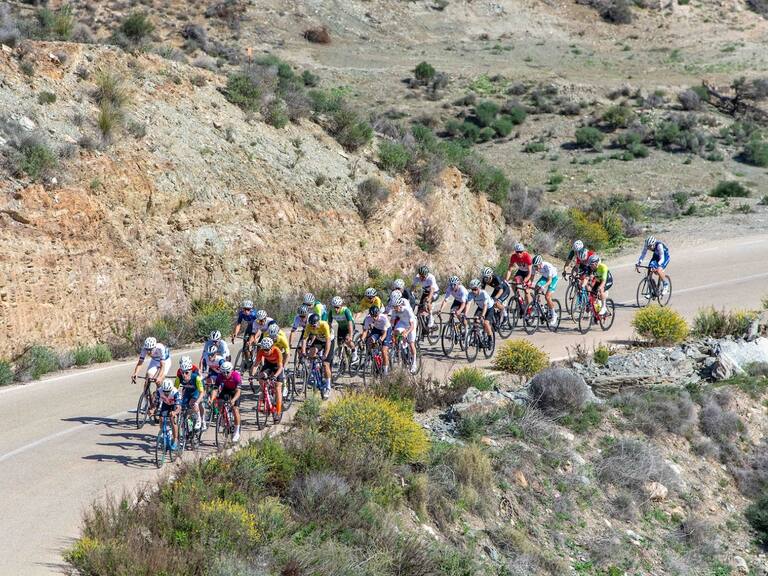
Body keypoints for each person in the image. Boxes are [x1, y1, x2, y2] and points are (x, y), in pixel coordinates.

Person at [301, 313, 334, 399]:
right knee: (311, 353)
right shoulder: (309, 326)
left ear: (318, 322)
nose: (313, 327)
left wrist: (325, 355)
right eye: (312, 326)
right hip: (319, 340)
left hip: (329, 341)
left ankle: (328, 387)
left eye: (314, 325)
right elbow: (304, 339)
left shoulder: (324, 325)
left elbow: (328, 341)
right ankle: (314, 370)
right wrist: (303, 352)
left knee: (326, 364)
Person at [209, 361, 242, 442]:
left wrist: (233, 400)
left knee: (235, 409)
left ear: (231, 371)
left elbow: (238, 392)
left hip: (235, 391)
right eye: (223, 372)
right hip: (226, 389)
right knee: (219, 402)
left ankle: (236, 432)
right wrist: (212, 398)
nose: (225, 374)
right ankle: (223, 417)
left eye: (227, 372)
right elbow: (215, 389)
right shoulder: (220, 376)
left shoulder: (236, 376)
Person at [254, 337, 284, 418]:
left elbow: (280, 368)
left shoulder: (277, 351)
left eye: (267, 350)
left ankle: (278, 412)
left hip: (277, 366)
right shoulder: (261, 351)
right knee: (261, 376)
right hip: (268, 365)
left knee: (278, 387)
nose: (265, 352)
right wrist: (251, 375)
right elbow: (256, 365)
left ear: (271, 347)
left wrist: (275, 376)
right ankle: (265, 392)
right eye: (264, 349)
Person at [175, 356, 206, 432]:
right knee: (183, 406)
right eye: (182, 372)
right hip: (188, 388)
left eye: (186, 373)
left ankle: (200, 419)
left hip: (196, 389)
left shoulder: (195, 373)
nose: (184, 375)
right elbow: (175, 389)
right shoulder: (179, 374)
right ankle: (189, 425)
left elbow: (201, 391)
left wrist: (197, 402)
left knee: (194, 403)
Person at [360, 306, 391, 375]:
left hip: (386, 330)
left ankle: (385, 371)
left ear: (378, 314)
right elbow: (365, 331)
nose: (374, 318)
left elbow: (384, 333)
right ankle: (375, 359)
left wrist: (380, 340)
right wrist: (362, 339)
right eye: (372, 316)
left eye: (375, 316)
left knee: (384, 350)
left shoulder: (383, 318)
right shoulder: (368, 318)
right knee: (370, 341)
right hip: (376, 329)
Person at [391, 297, 418, 374]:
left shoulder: (407, 310)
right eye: (394, 307)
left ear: (400, 305)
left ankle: (414, 364)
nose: (395, 309)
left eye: (396, 307)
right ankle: (401, 346)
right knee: (396, 332)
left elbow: (412, 326)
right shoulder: (394, 311)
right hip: (402, 323)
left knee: (411, 343)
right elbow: (392, 322)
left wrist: (406, 332)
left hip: (411, 324)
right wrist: (392, 332)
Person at [153, 379, 181, 450]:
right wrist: (153, 410)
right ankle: (164, 432)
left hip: (174, 405)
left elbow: (178, 408)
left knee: (173, 419)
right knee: (161, 418)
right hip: (166, 404)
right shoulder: (159, 391)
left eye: (168, 392)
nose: (166, 393)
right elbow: (156, 403)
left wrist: (174, 412)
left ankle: (175, 440)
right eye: (165, 391)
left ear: (171, 389)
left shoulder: (175, 392)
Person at [330, 296, 358, 364]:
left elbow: (350, 324)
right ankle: (343, 360)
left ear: (341, 306)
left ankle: (355, 353)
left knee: (348, 340)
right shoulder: (331, 312)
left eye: (337, 307)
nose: (336, 309)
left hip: (349, 327)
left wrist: (350, 336)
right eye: (334, 307)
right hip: (341, 328)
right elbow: (328, 324)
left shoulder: (346, 311)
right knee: (339, 344)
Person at [532, 255, 559, 323]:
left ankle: (554, 314)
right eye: (534, 266)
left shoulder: (548, 267)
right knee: (536, 287)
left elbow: (549, 281)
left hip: (553, 278)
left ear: (540, 263)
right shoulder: (534, 267)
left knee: (547, 296)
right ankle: (539, 307)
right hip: (544, 277)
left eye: (536, 266)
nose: (535, 268)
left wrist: (543, 286)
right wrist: (528, 284)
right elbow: (531, 278)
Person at [467, 278, 494, 344]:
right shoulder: (470, 294)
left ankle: (490, 339)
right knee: (475, 321)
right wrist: (465, 314)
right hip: (480, 307)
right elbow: (468, 304)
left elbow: (485, 305)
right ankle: (476, 337)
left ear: (479, 288)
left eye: (475, 289)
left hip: (489, 308)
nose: (473, 291)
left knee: (486, 323)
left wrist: (482, 315)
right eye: (472, 289)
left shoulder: (483, 293)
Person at [413, 265, 439, 330]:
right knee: (419, 309)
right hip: (425, 292)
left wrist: (428, 299)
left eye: (423, 277)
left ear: (427, 275)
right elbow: (413, 287)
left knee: (427, 301)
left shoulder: (431, 277)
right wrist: (411, 296)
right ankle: (423, 327)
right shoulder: (417, 277)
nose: (422, 278)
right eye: (420, 276)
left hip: (434, 292)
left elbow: (432, 290)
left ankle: (431, 318)